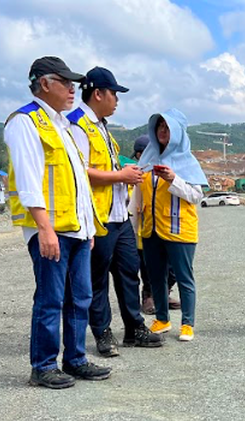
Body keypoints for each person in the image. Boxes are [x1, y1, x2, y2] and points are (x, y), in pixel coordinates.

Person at [4, 56, 111, 389]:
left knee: (80, 297)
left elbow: (76, 181)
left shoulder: (63, 125)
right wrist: (44, 228)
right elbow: (28, 181)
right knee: (51, 298)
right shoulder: (25, 122)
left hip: (76, 229)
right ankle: (44, 365)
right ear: (45, 83)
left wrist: (88, 227)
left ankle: (75, 359)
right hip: (50, 229)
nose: (73, 89)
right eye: (66, 83)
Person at [67, 67, 160, 357]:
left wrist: (123, 172)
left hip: (119, 216)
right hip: (98, 217)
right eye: (114, 94)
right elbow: (79, 171)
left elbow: (104, 166)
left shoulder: (101, 125)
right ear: (98, 94)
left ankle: (134, 327)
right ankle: (103, 332)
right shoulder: (78, 124)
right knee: (97, 279)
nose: (117, 100)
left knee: (128, 272)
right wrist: (120, 177)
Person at [129, 109, 206, 342]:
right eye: (160, 126)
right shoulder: (146, 159)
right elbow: (137, 195)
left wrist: (174, 179)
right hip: (151, 229)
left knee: (184, 277)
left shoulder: (187, 162)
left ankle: (187, 324)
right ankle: (162, 319)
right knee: (155, 278)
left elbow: (196, 196)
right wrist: (133, 226)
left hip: (180, 229)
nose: (163, 131)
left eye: (168, 127)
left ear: (178, 133)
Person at [129, 134, 181, 316]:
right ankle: (149, 296)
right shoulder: (136, 172)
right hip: (144, 229)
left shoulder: (165, 169)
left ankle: (164, 293)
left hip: (167, 227)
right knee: (148, 267)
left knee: (172, 268)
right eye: (139, 154)